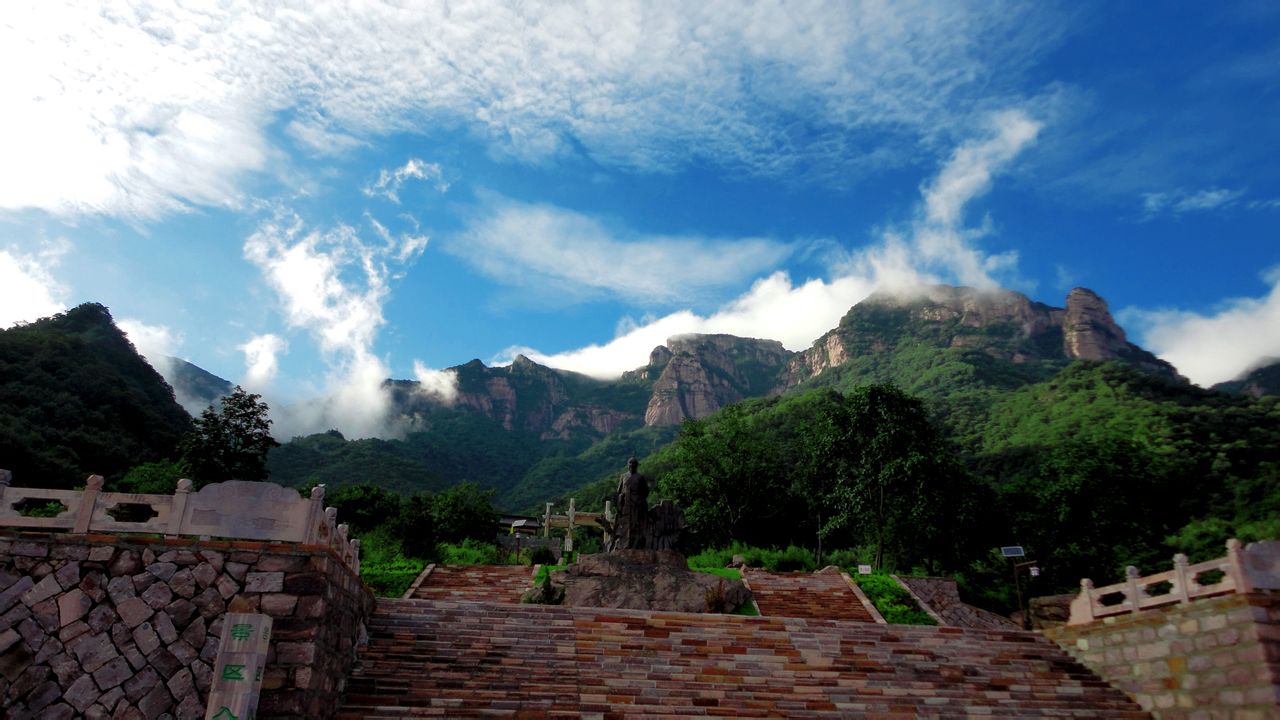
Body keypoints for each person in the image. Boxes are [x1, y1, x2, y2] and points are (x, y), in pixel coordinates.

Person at [614, 457, 649, 550]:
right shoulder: (623, 476)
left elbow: (645, 492)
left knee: (635, 524)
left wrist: (639, 500)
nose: (631, 465)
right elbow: (619, 491)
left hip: (636, 505)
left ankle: (636, 545)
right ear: (627, 465)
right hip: (626, 505)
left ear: (637, 465)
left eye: (633, 463)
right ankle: (623, 545)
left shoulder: (640, 477)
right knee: (625, 525)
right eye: (630, 463)